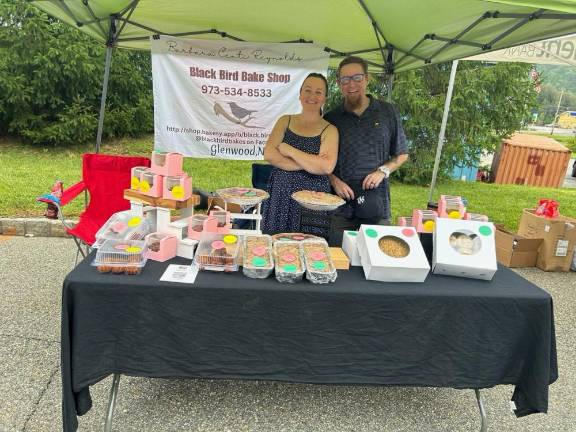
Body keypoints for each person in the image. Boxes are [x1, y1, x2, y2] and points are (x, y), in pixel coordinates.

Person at [324, 56, 408, 233]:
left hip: (377, 207)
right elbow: (321, 162)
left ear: (367, 78)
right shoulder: (331, 119)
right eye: (345, 79)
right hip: (341, 210)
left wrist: (382, 171)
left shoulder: (387, 112)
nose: (351, 84)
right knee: (340, 259)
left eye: (357, 78)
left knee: (375, 258)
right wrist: (334, 181)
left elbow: (401, 154)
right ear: (339, 83)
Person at [262, 73, 339, 233]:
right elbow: (269, 154)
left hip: (313, 199)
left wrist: (289, 150)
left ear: (325, 97)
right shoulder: (285, 120)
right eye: (308, 90)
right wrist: (310, 164)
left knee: (310, 246)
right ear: (300, 94)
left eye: (318, 92)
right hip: (281, 195)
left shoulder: (330, 130)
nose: (312, 96)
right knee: (276, 242)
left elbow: (326, 167)